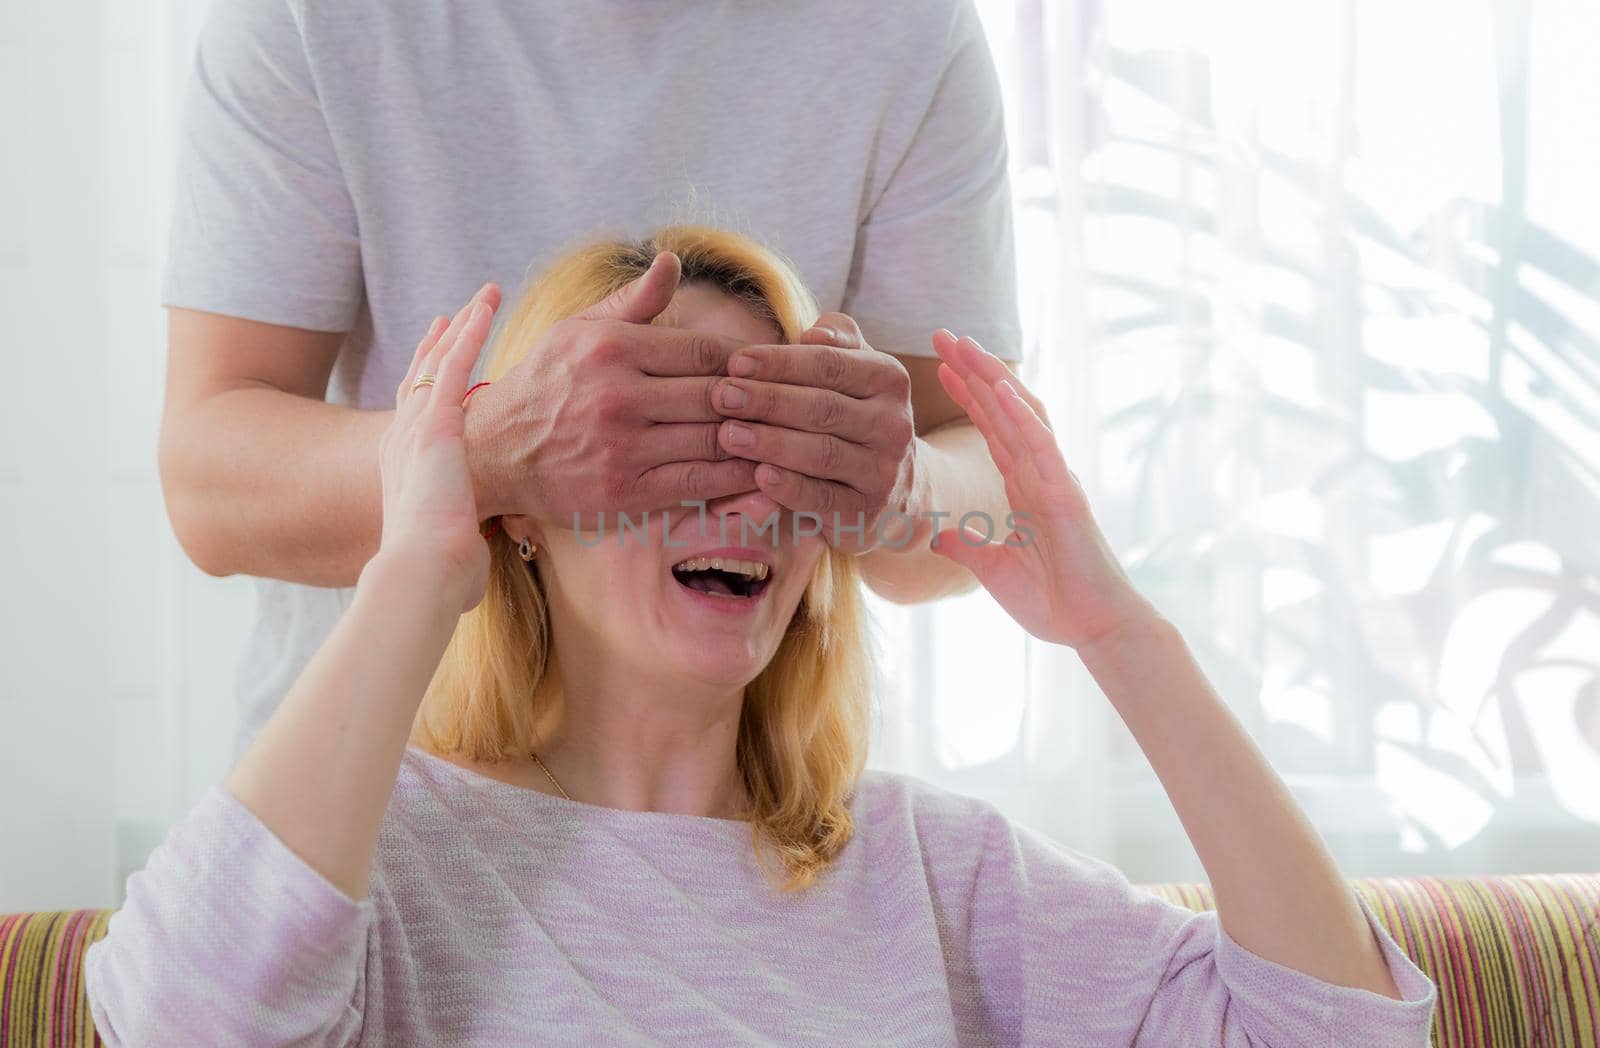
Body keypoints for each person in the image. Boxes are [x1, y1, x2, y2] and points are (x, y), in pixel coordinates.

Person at [86, 227, 1438, 1046]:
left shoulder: (934, 875)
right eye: (666, 434)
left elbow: (1340, 1033)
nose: (735, 489)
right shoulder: (392, 867)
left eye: (775, 442)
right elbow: (178, 1024)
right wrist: (422, 553)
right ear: (529, 513)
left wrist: (1117, 633)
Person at [158, 0, 1026, 756]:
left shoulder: (910, 26)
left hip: (769, 814)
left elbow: (992, 483)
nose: (742, 505)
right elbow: (209, 488)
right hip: (368, 787)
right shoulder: (310, 16)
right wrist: (488, 453)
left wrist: (906, 487)